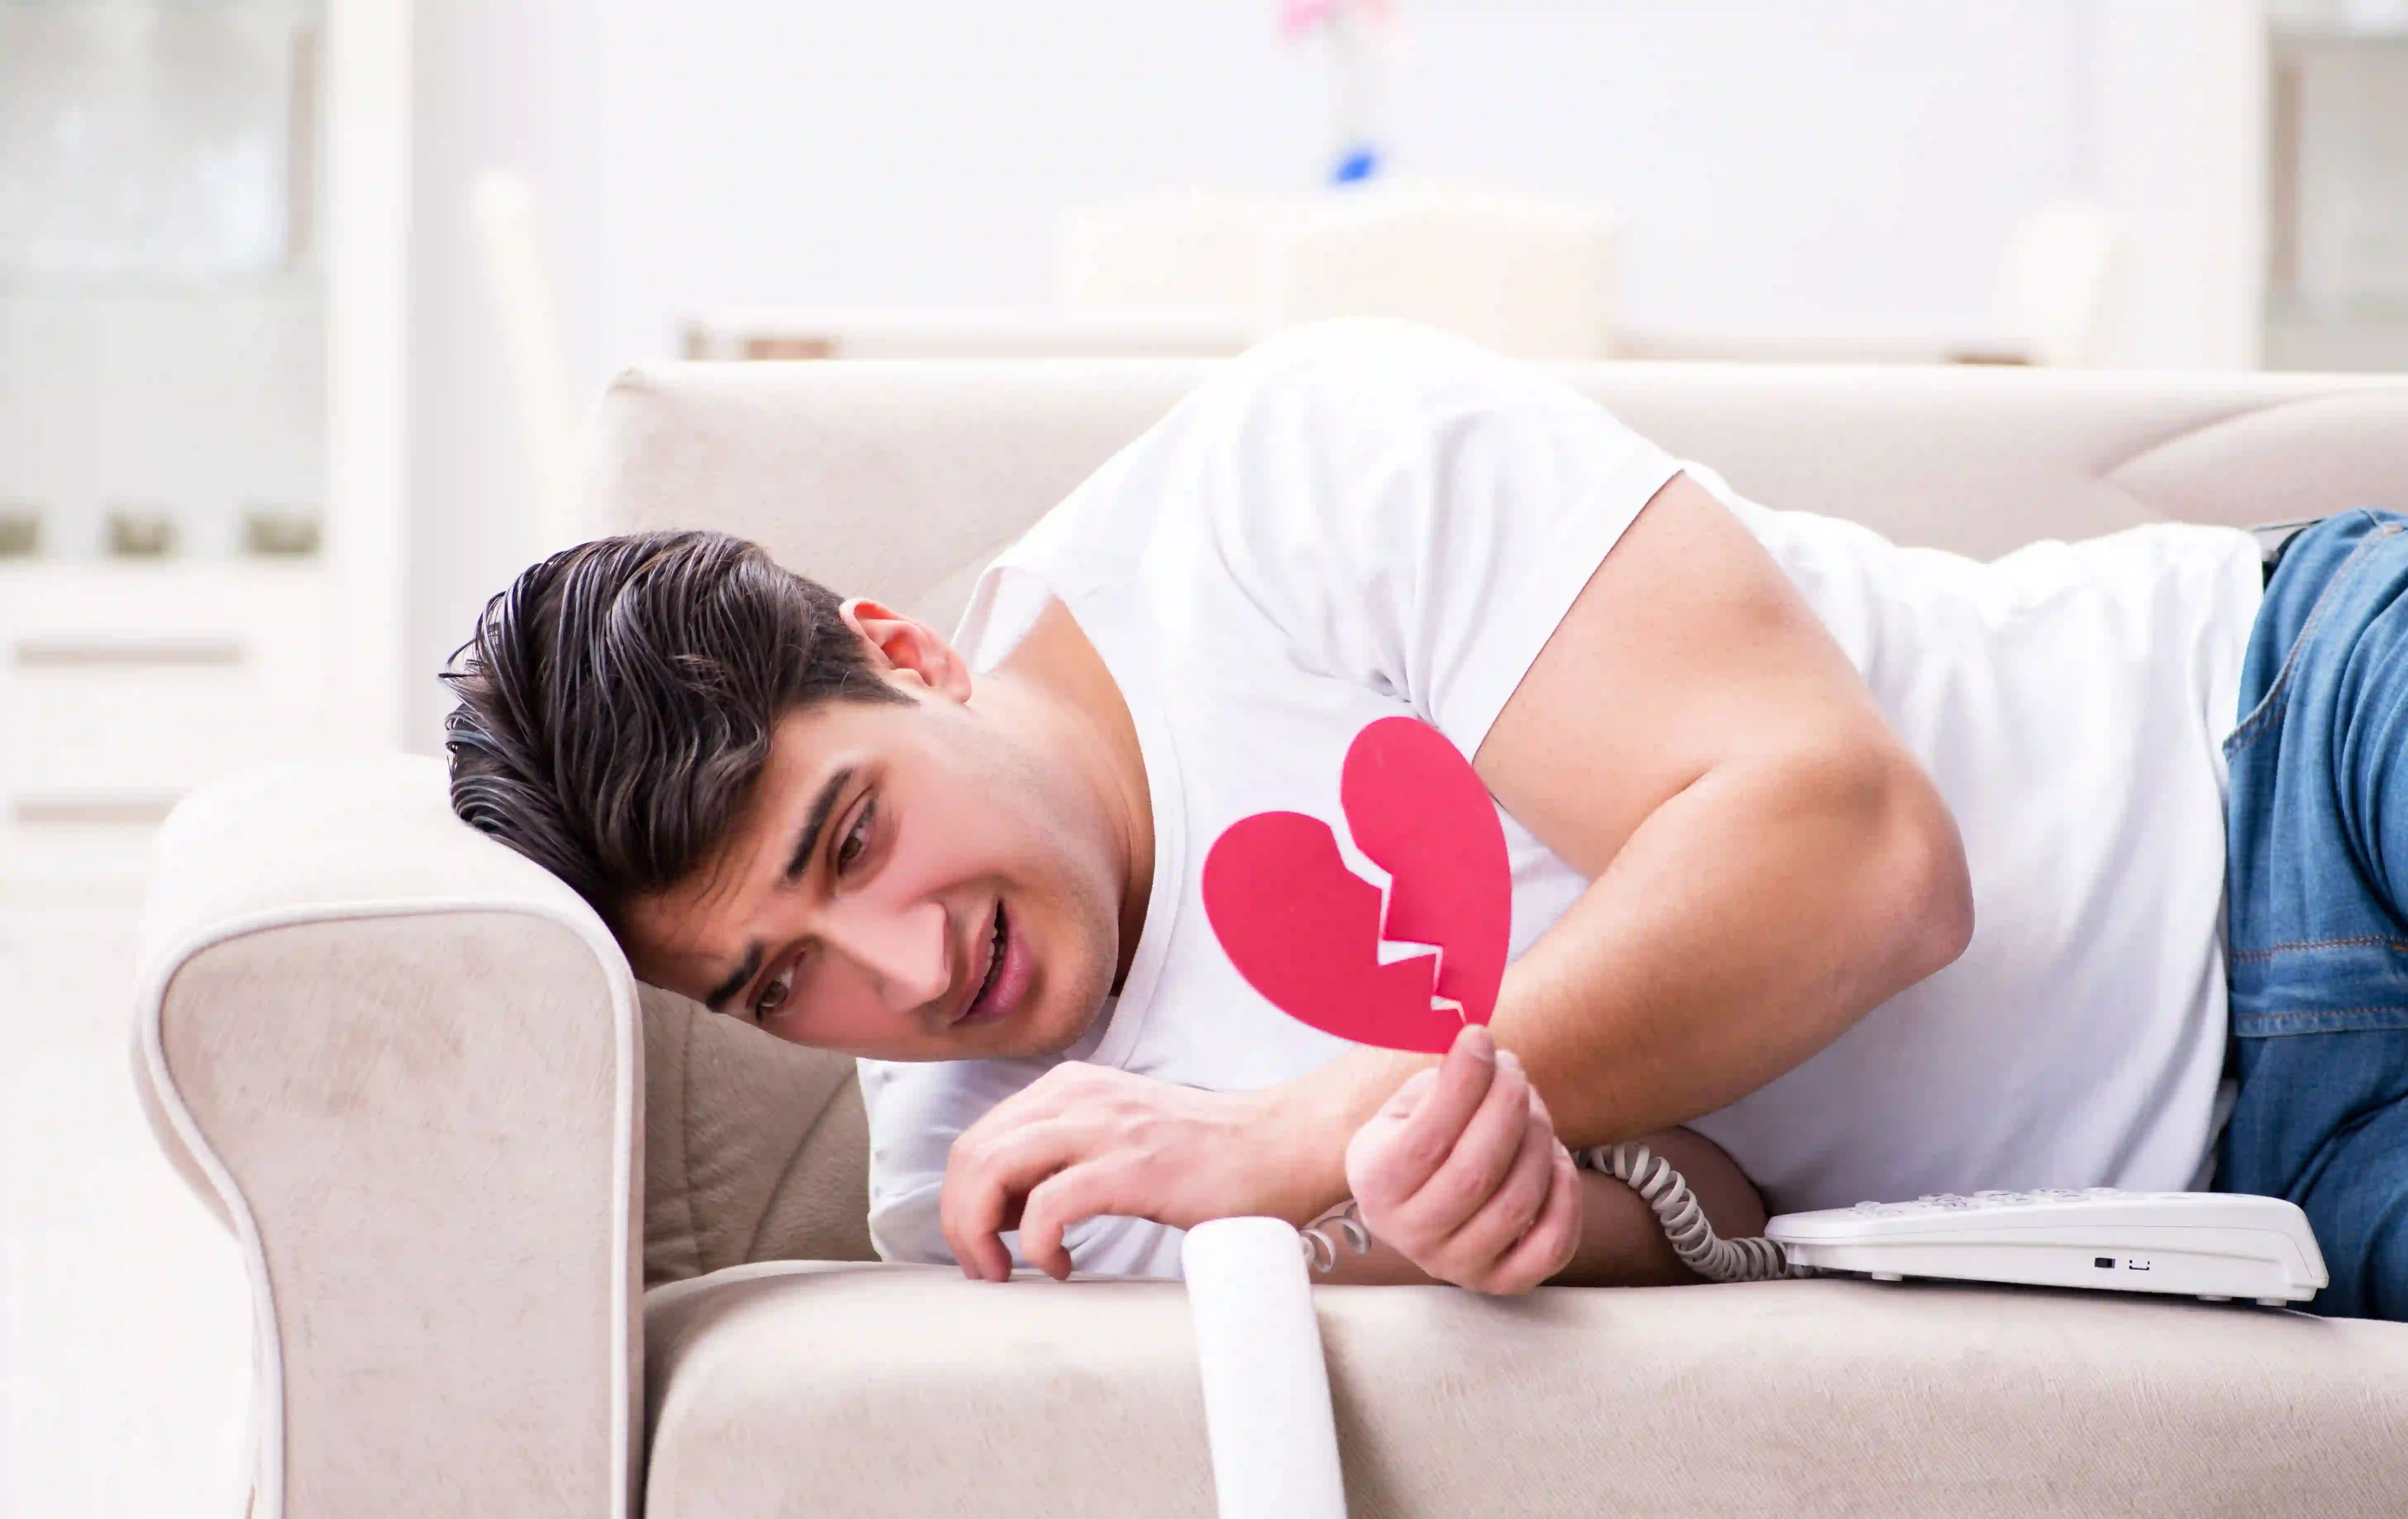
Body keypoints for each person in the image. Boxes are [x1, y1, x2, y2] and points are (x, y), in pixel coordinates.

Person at [440, 318, 2398, 1317]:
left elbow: (1861, 858)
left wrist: (1305, 1131)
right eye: (780, 988)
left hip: (2272, 732)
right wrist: (1549, 1217)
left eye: (849, 842)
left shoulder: (1286, 484)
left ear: (905, 653)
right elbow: (1722, 1209)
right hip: (2251, 1195)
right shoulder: (1012, 1194)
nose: (905, 973)